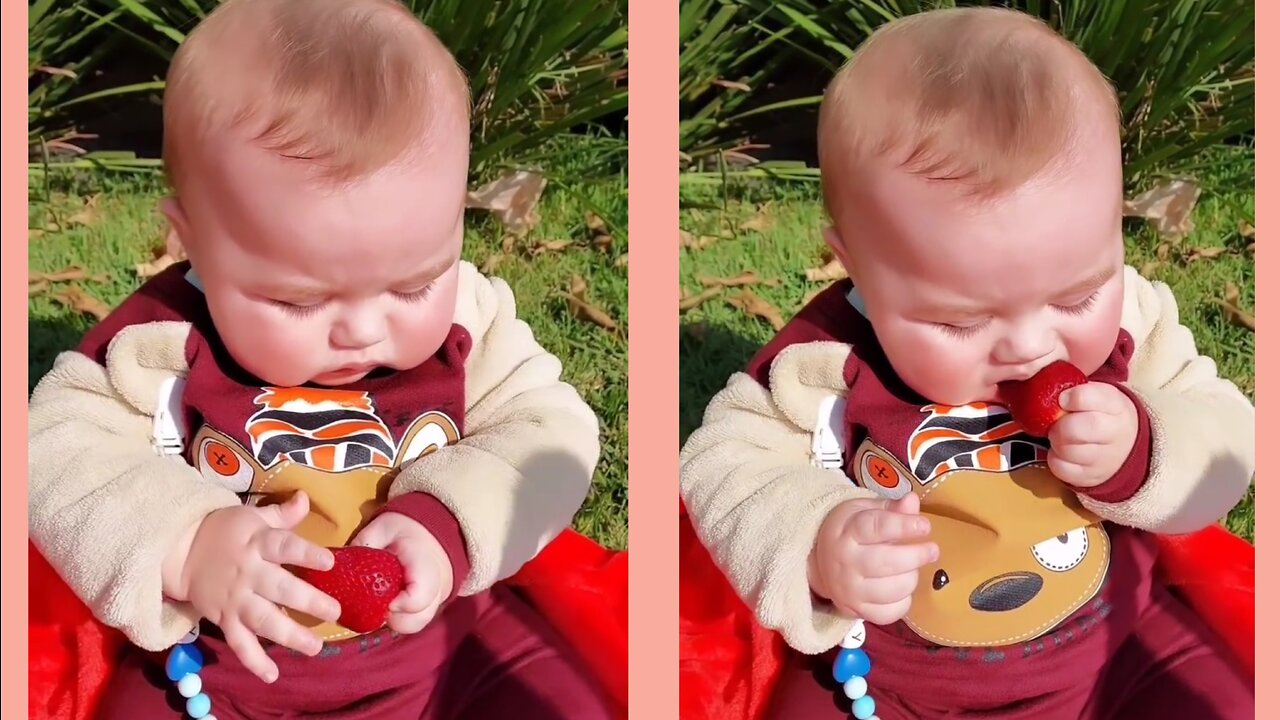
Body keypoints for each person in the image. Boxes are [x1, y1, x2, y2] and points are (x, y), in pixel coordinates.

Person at [28, 1, 609, 717]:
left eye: (413, 282)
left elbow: (552, 428)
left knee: (571, 702)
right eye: (298, 301)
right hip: (223, 672)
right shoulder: (161, 345)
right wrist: (188, 543)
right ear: (195, 242)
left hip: (447, 654)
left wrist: (449, 523)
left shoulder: (469, 324)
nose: (363, 332)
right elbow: (52, 450)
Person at [679, 8, 1254, 719]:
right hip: (888, 688)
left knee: (1226, 697)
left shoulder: (1135, 322)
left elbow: (1230, 434)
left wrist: (1145, 445)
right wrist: (818, 542)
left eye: (1076, 297)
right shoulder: (826, 360)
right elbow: (725, 462)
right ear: (857, 264)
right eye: (958, 320)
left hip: (1110, 661)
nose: (1028, 345)